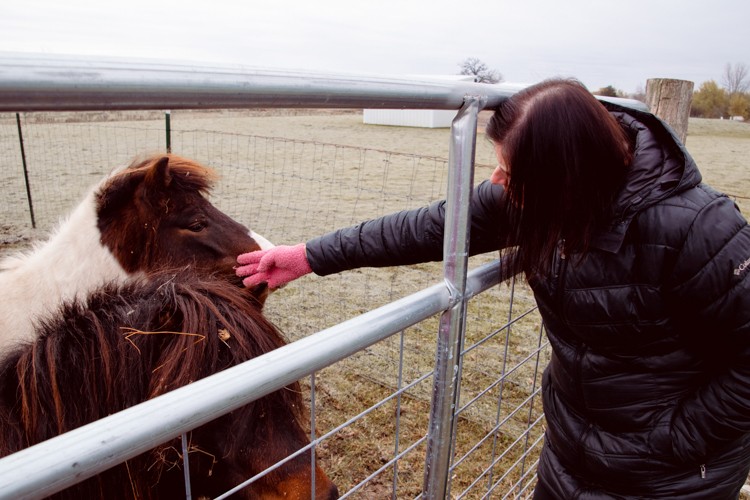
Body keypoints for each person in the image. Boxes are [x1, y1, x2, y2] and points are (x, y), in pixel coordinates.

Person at [236, 78, 750, 499]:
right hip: (570, 453)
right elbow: (432, 226)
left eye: (509, 169)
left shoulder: (700, 231)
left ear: (564, 176)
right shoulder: (541, 199)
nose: (495, 180)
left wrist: (674, 441)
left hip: (670, 481)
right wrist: (308, 255)